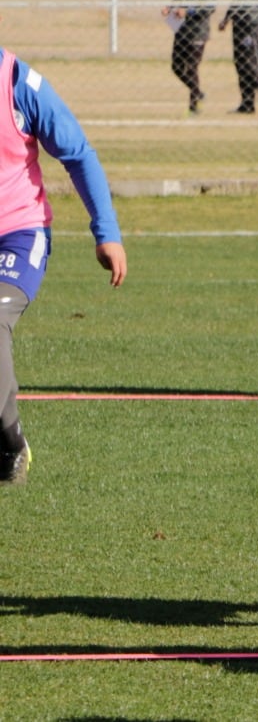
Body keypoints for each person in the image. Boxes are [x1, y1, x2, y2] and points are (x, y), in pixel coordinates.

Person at [0, 44, 128, 485]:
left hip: (17, 235)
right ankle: (7, 433)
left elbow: (78, 153)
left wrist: (106, 231)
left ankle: (10, 446)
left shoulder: (19, 83)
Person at [162, 0, 216, 114]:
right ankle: (198, 92)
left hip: (197, 30)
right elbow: (177, 0)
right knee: (177, 67)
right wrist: (170, 9)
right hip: (181, 30)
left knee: (192, 67)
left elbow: (210, 7)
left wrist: (188, 11)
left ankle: (194, 106)